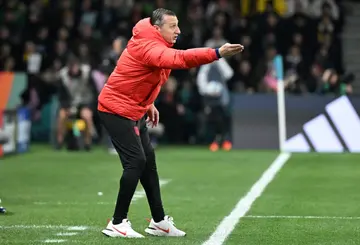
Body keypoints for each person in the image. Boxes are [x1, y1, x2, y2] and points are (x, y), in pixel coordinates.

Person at [98, 8, 243, 238]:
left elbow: (139, 78)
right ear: (157, 28)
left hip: (133, 107)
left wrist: (149, 103)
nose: (178, 30)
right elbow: (181, 59)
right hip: (115, 109)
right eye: (172, 26)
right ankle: (117, 222)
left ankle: (158, 222)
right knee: (136, 161)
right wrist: (216, 52)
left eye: (178, 25)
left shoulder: (153, 40)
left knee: (148, 163)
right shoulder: (150, 47)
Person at [56, 56, 98, 151]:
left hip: (85, 102)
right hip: (69, 103)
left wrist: (90, 106)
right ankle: (59, 141)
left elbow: (94, 93)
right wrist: (67, 107)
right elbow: (61, 96)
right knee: (62, 115)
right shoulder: (63, 76)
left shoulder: (87, 73)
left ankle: (88, 143)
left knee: (87, 116)